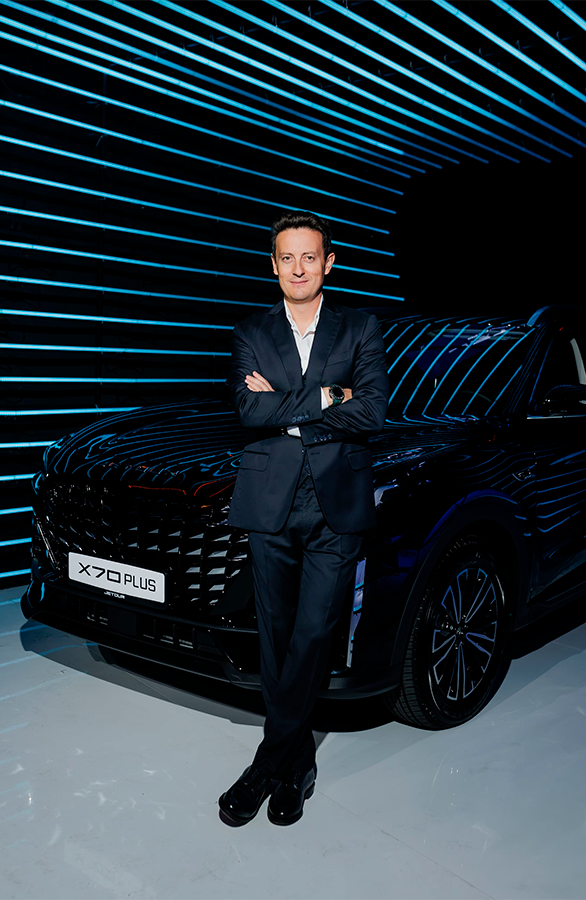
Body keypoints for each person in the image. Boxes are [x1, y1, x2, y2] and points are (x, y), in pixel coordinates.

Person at [219, 210, 389, 826]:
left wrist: (287, 410)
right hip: (271, 502)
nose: (298, 268)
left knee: (315, 634)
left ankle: (266, 762)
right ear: (273, 265)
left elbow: (373, 412)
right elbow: (248, 411)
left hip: (335, 504)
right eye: (287, 258)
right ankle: (297, 766)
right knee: (276, 634)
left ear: (328, 263)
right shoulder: (250, 331)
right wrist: (328, 396)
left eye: (309, 257)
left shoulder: (360, 327)